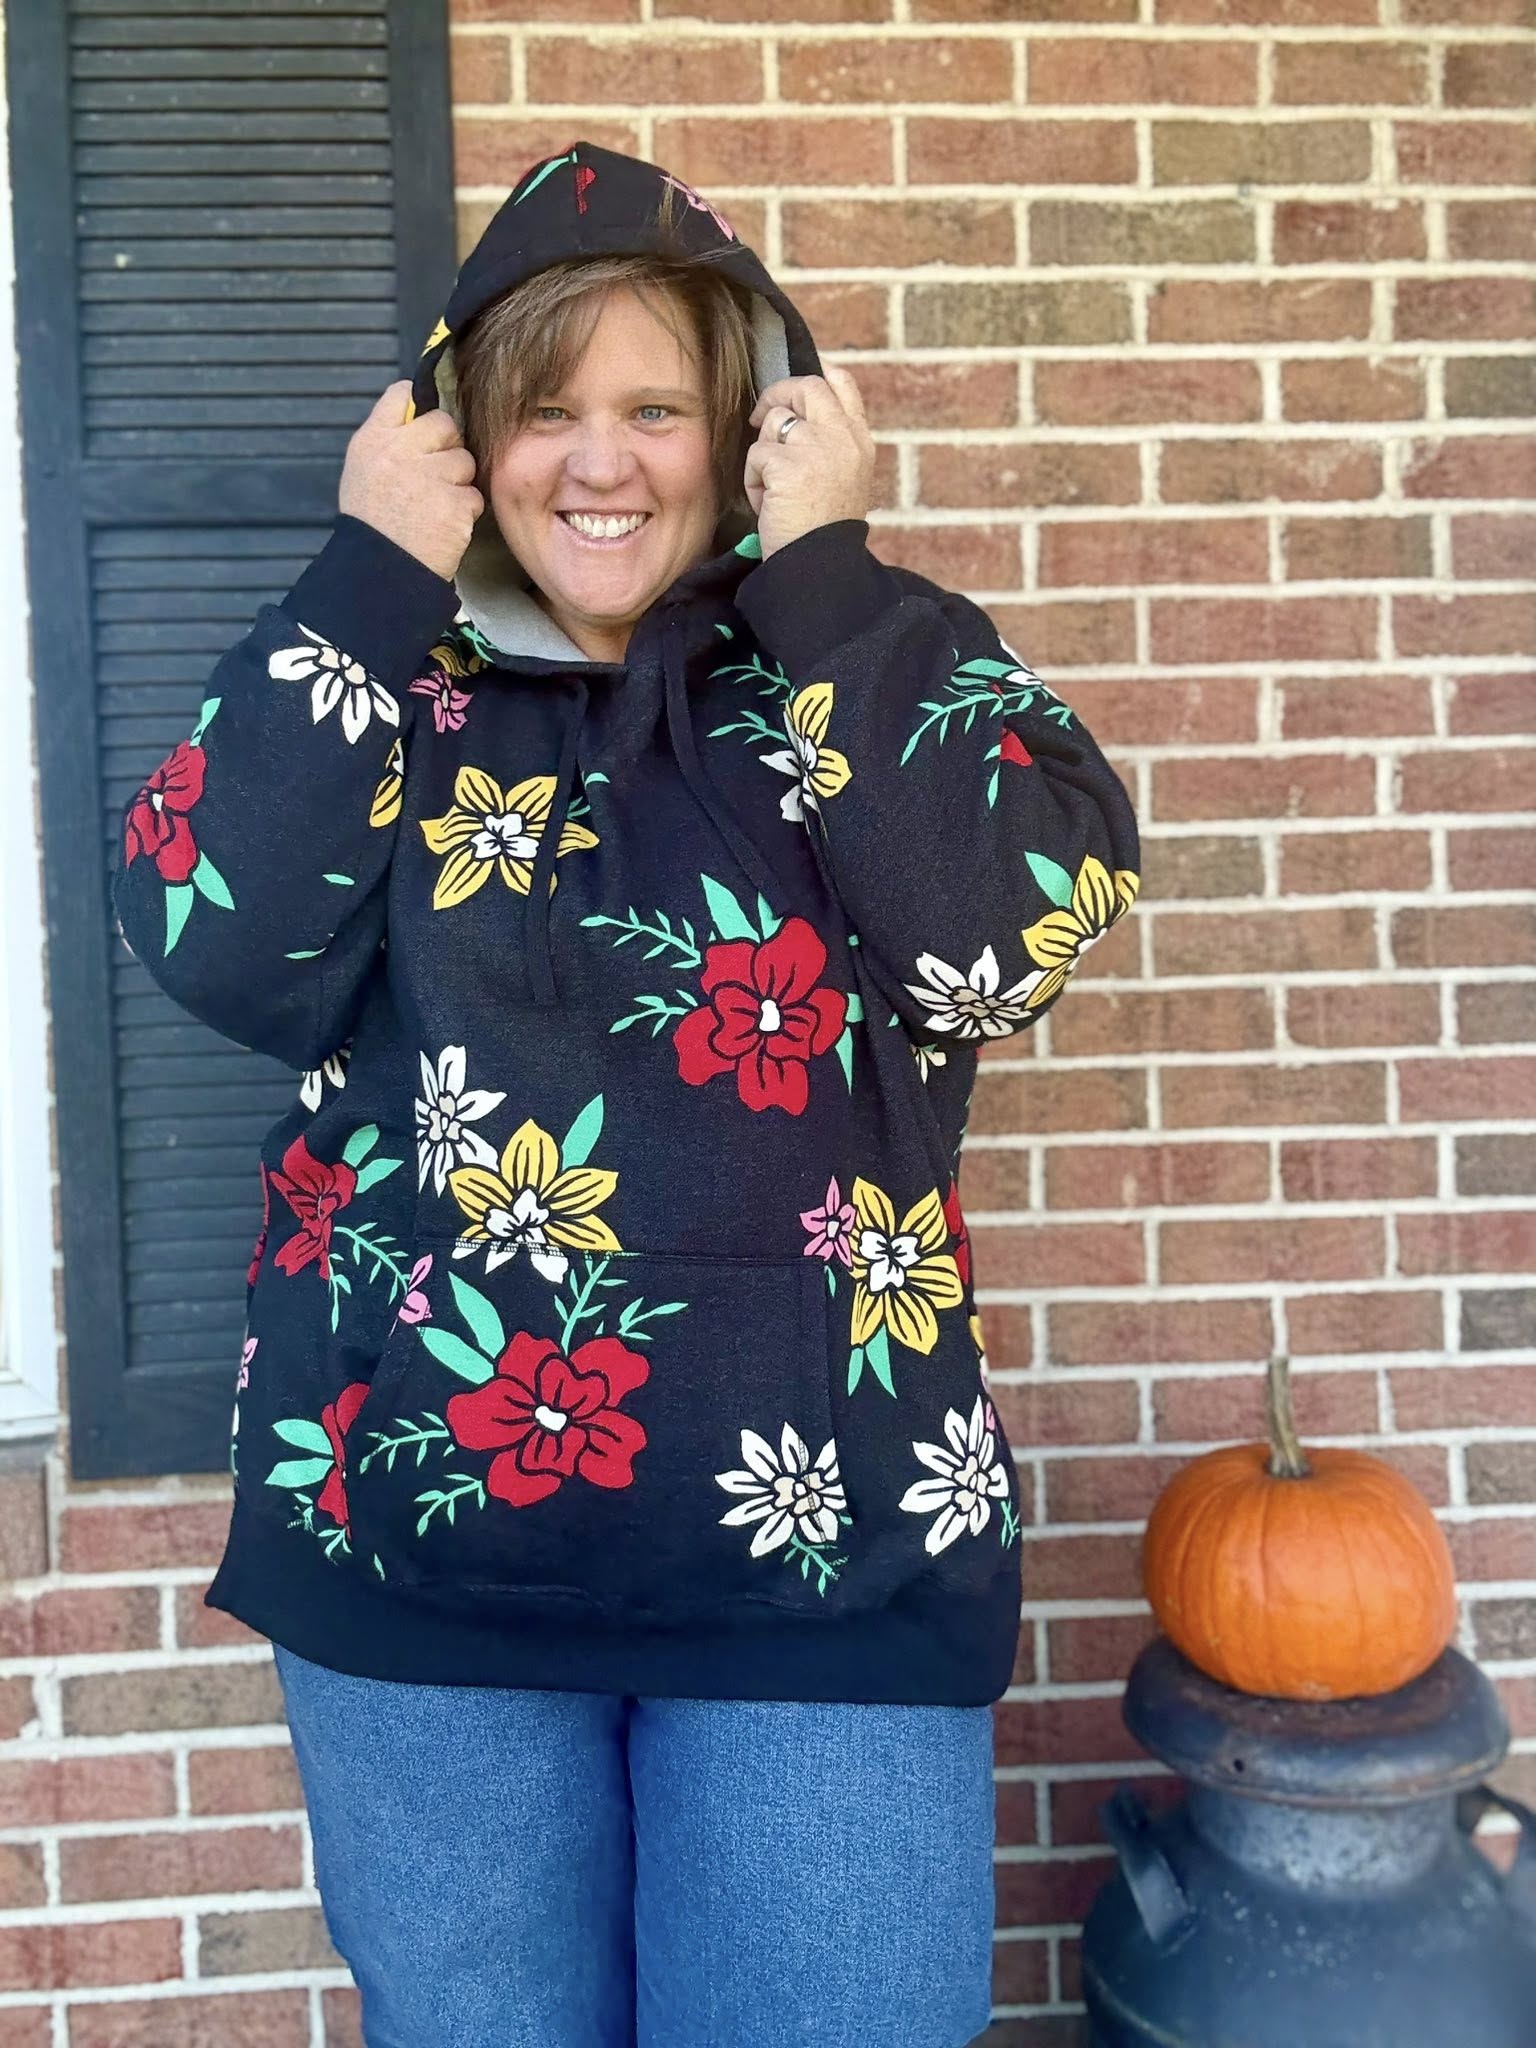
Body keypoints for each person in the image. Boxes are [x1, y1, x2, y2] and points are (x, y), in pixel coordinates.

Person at [113, 141, 1141, 2048]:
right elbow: (209, 938)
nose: (602, 463)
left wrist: (826, 578)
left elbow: (1013, 941)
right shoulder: (382, 676)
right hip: (422, 1563)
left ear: (745, 423)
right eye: (545, 410)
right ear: (462, 434)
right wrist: (361, 575)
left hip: (823, 1572)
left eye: (657, 406)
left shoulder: (864, 657)